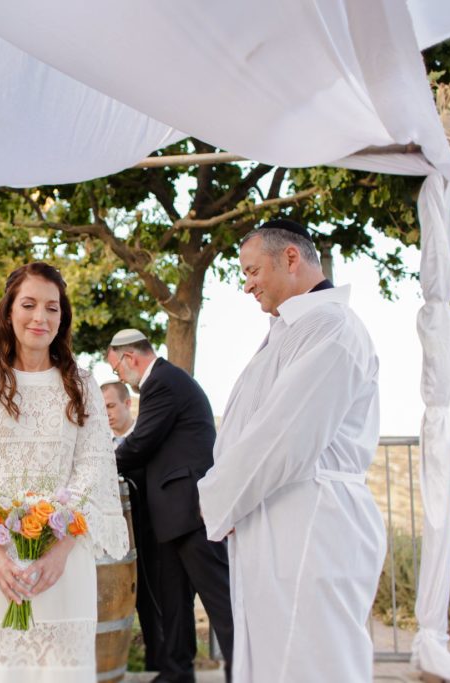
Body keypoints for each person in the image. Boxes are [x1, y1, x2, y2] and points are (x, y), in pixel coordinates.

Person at [197, 219, 386, 683]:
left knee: (311, 660)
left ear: (290, 258)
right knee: (276, 656)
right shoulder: (291, 328)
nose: (247, 285)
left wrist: (215, 498)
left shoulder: (331, 328)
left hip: (310, 523)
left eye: (252, 271)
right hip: (277, 516)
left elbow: (281, 436)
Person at [0, 262, 128, 681]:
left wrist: (61, 550)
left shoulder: (83, 384)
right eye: (30, 304)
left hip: (61, 564)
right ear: (8, 312)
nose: (41, 317)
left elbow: (93, 466)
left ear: (63, 316)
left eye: (52, 308)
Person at [108, 330, 233, 682]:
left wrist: (97, 467)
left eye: (116, 368)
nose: (119, 376)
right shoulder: (164, 382)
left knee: (219, 599)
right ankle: (177, 673)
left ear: (130, 357)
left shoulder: (162, 382)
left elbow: (141, 444)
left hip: (191, 511)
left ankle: (246, 671)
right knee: (173, 602)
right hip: (172, 515)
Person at [102, 380, 163, 672]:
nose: (107, 414)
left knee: (154, 613)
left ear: (128, 404)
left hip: (151, 540)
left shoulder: (147, 438)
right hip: (114, 550)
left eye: (111, 406)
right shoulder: (99, 447)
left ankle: (157, 669)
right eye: (101, 409)